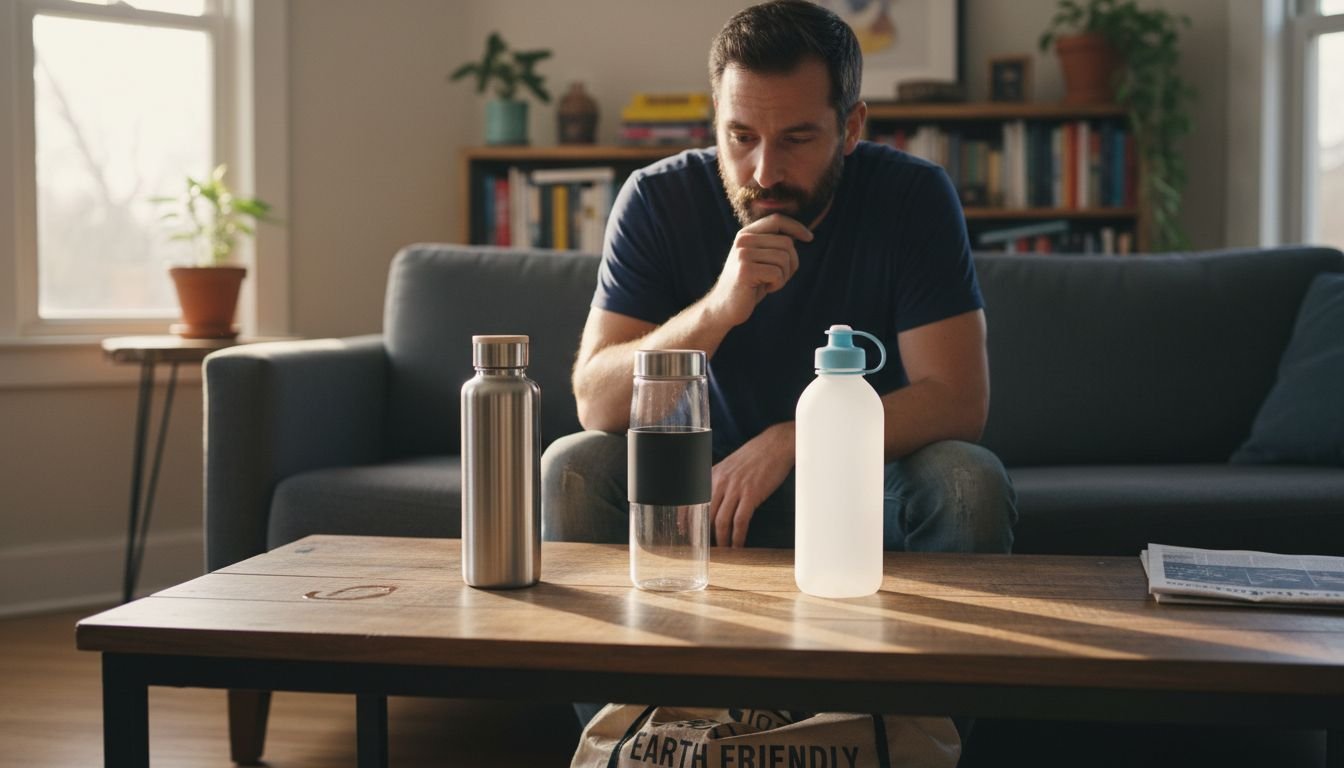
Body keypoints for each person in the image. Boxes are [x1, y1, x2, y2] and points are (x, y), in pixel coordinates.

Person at [544, 0, 1017, 556]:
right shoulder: (656, 199)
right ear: (716, 117)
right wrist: (717, 309)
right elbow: (597, 404)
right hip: (702, 477)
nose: (765, 172)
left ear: (850, 127)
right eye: (742, 137)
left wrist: (796, 440)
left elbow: (958, 401)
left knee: (967, 480)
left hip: (858, 473)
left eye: (796, 139)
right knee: (574, 465)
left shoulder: (914, 197)